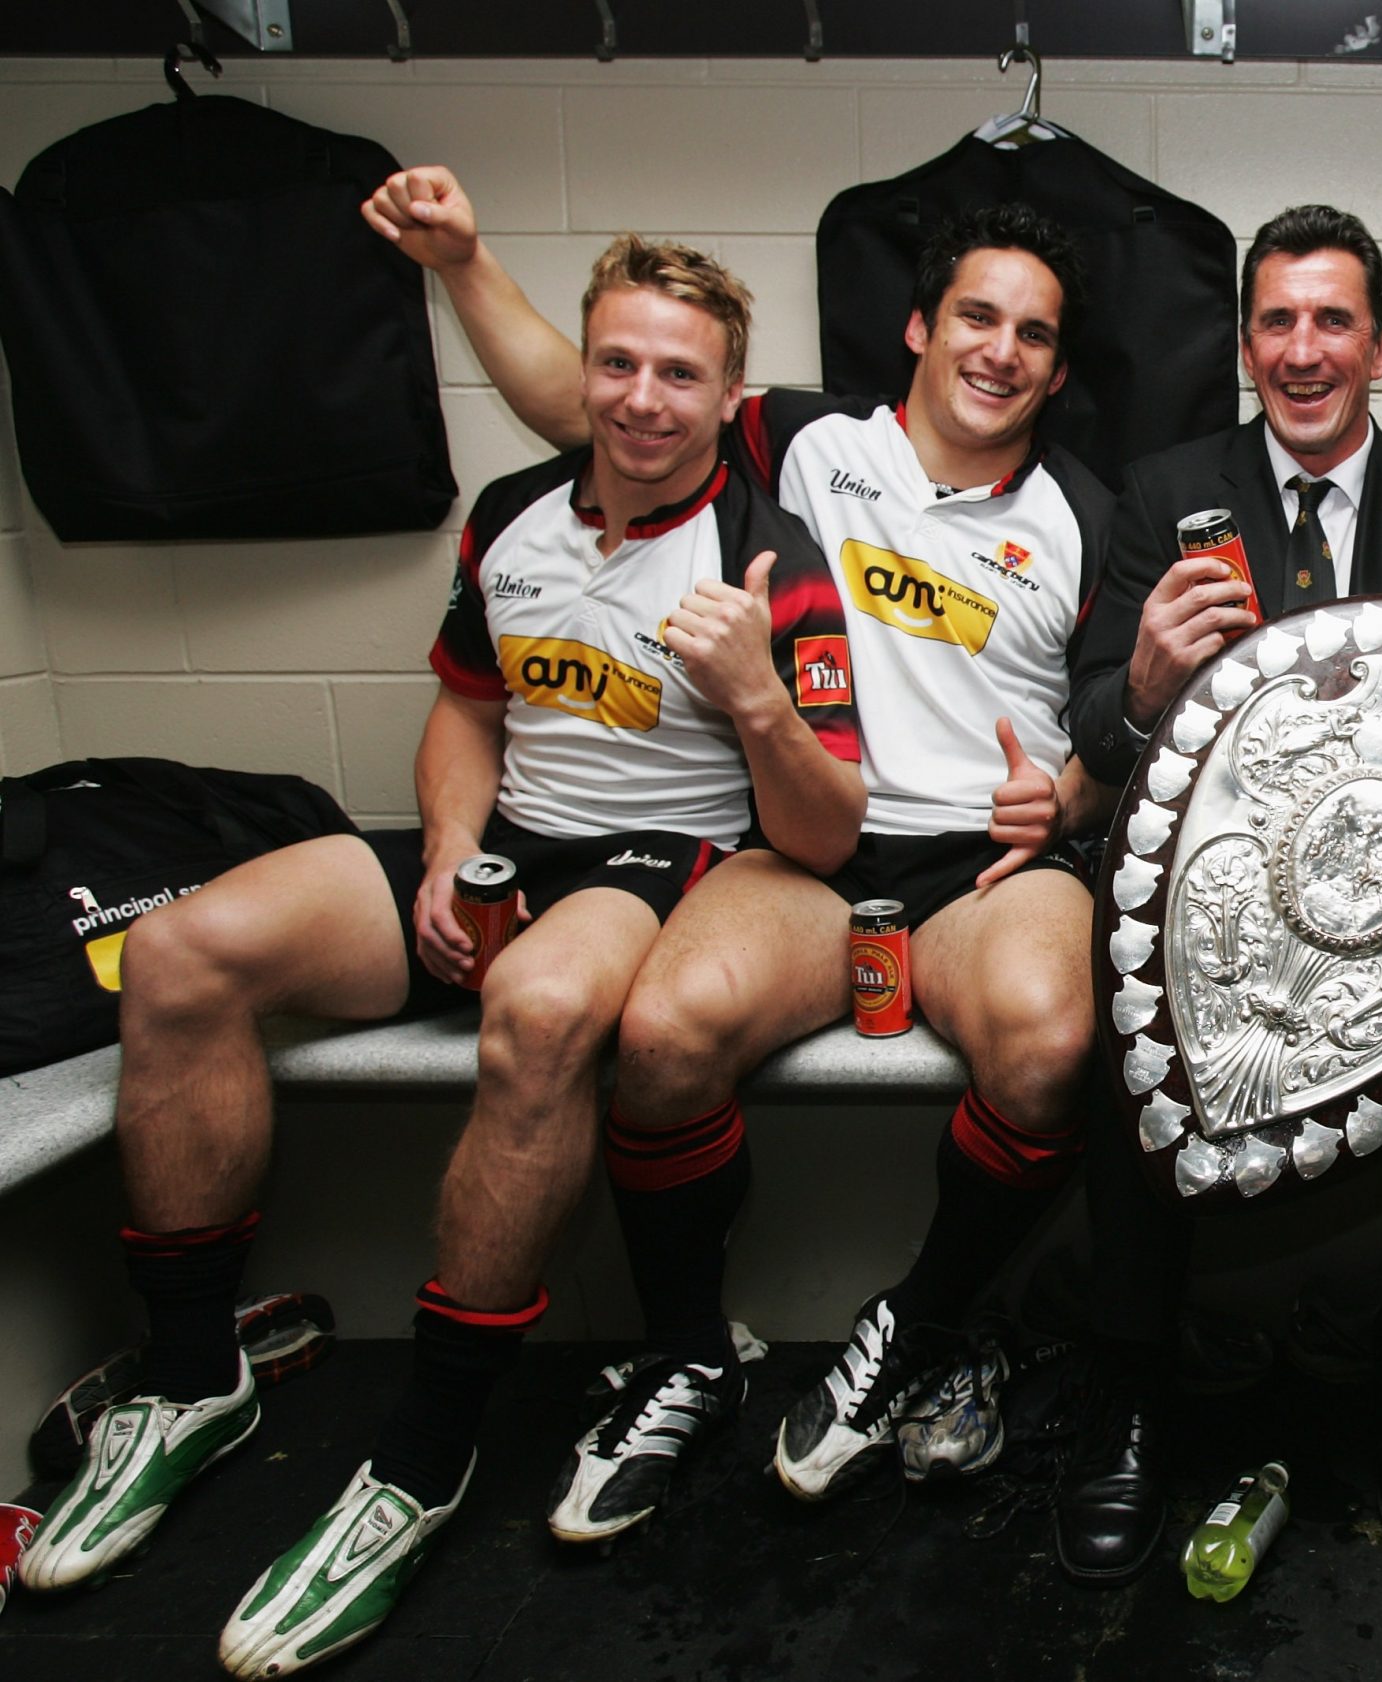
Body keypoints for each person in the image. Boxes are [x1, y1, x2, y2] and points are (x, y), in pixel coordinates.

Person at [19, 235, 865, 1677]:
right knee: (176, 950)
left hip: (655, 864)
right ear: (584, 369)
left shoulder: (767, 552)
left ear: (731, 395)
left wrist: (756, 698)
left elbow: (829, 830)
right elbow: (469, 706)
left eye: (681, 372)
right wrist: (443, 855)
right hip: (496, 848)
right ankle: (190, 1375)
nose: (643, 398)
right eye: (619, 361)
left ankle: (422, 1451)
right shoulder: (515, 510)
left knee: (539, 1014)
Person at [361, 169, 1117, 1539]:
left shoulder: (1085, 513)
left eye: (1035, 333)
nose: (1001, 349)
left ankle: (916, 1323)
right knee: (662, 1036)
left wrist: (1064, 794)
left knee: (1055, 1041)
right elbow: (589, 401)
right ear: (919, 329)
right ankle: (687, 1347)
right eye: (976, 316)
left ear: (1059, 369)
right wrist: (465, 261)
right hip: (806, 848)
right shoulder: (805, 444)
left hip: (980, 868)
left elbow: (1125, 706)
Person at [1056, 205, 1382, 1578]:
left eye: (1333, 320)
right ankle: (1130, 1389)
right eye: (1277, 321)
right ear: (1244, 342)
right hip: (1211, 888)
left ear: (1378, 343)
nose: (1303, 350)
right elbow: (1088, 718)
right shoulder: (1160, 487)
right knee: (1122, 1006)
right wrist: (1138, 685)